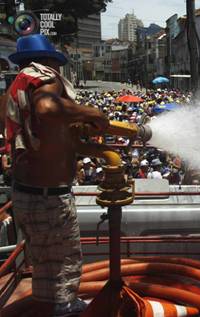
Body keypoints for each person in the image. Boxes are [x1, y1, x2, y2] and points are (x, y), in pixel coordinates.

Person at [4, 34, 109, 316]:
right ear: (49, 61)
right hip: (50, 198)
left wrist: (85, 144)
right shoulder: (45, 78)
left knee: (43, 263)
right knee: (65, 260)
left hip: (26, 192)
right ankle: (65, 308)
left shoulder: (17, 87)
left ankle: (49, 304)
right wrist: (92, 112)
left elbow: (46, 134)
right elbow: (48, 108)